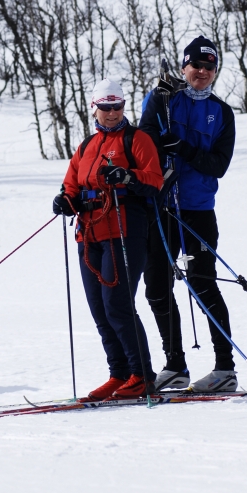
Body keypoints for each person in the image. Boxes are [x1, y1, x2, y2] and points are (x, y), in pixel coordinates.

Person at [53, 78, 163, 400]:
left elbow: (154, 180)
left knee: (117, 304)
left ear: (123, 107)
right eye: (105, 107)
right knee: (99, 308)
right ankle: (119, 374)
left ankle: (141, 374)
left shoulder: (137, 139)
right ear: (95, 109)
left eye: (117, 107)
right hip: (88, 233)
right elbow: (71, 183)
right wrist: (65, 200)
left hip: (124, 229)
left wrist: (128, 176)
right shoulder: (86, 146)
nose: (112, 113)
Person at [139, 35, 237, 393]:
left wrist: (184, 148)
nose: (202, 72)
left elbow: (218, 165)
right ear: (184, 66)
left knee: (202, 283)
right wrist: (159, 137)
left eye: (209, 67)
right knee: (157, 288)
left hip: (197, 211)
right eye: (196, 65)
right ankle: (175, 364)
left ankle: (225, 367)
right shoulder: (163, 98)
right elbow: (143, 139)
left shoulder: (222, 113)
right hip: (161, 207)